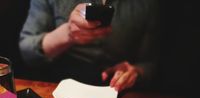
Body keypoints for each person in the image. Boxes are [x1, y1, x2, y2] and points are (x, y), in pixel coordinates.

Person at [19, 0, 160, 92]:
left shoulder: (148, 4)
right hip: (58, 87)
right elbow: (27, 51)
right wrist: (68, 33)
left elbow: (153, 63)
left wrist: (135, 71)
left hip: (119, 93)